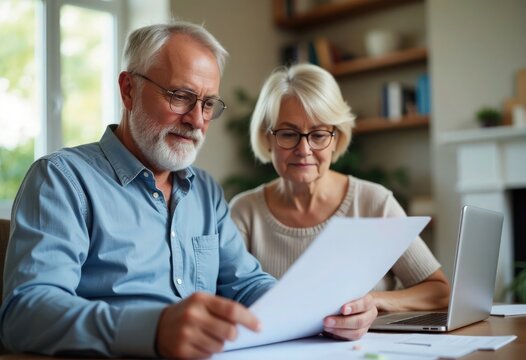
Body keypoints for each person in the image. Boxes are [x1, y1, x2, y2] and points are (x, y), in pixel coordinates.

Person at [0, 22, 376, 359]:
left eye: (208, 103)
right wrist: (154, 329)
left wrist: (325, 310)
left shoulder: (205, 192)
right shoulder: (62, 179)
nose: (196, 119)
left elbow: (247, 284)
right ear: (128, 89)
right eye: (180, 96)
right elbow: (26, 313)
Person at [230, 63, 451, 314]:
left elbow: (439, 291)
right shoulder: (244, 212)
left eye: (319, 134)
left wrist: (375, 301)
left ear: (336, 138)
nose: (304, 150)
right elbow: (225, 300)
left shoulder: (373, 202)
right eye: (289, 134)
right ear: (267, 137)